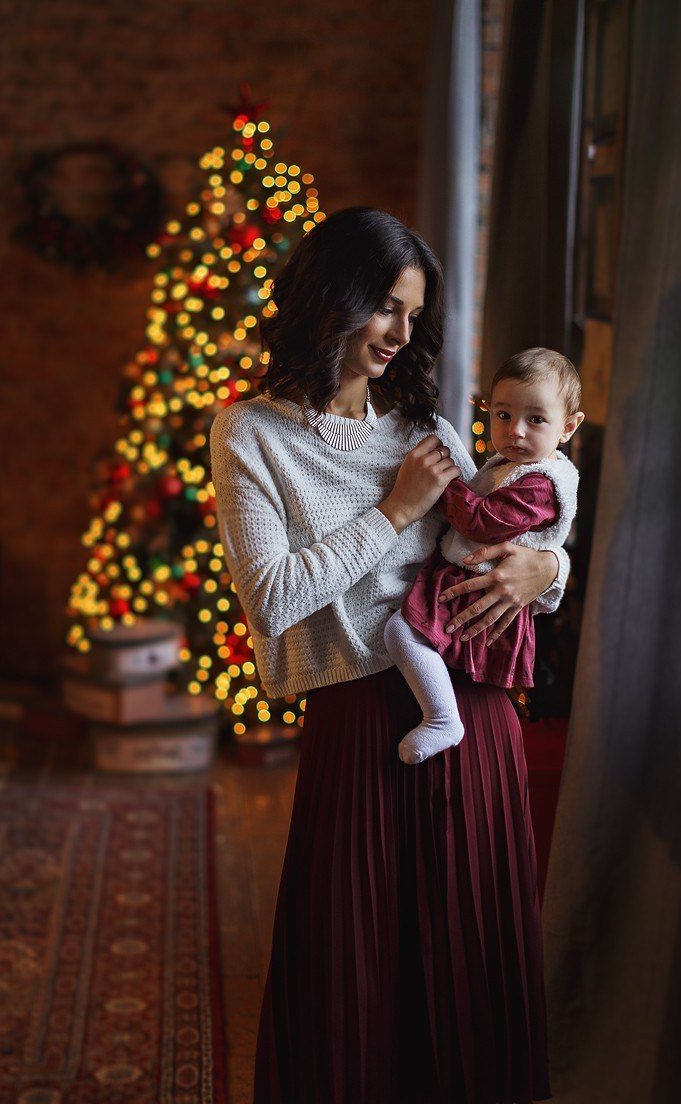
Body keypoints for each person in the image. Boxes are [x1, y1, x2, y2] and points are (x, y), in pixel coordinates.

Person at [210, 207, 567, 1104]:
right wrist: (395, 512)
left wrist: (551, 570)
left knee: (470, 958)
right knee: (353, 962)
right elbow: (272, 598)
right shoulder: (251, 434)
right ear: (332, 296)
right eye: (386, 307)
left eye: (414, 314)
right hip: (358, 724)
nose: (402, 333)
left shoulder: (425, 424)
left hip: (473, 714)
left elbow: (507, 537)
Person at [384, 348, 583, 764]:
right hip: (467, 579)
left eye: (536, 419)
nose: (516, 431)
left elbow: (483, 521)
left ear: (568, 427)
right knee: (406, 635)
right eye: (504, 415)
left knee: (401, 632)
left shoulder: (543, 482)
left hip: (480, 591)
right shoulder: (511, 464)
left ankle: (442, 718)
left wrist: (439, 483)